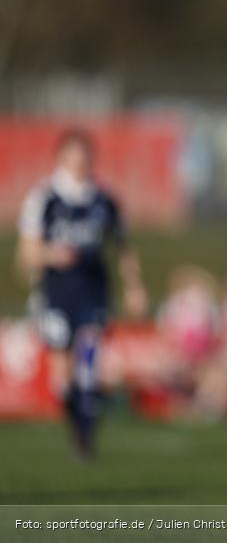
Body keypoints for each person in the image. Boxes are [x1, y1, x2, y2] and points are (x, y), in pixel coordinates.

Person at [16, 129, 147, 457]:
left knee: (88, 361)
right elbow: (25, 254)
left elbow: (124, 248)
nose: (81, 161)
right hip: (57, 295)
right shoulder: (44, 198)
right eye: (75, 155)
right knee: (62, 375)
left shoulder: (104, 200)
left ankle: (86, 434)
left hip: (93, 294)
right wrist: (50, 255)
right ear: (62, 158)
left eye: (85, 155)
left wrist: (135, 288)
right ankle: (76, 418)